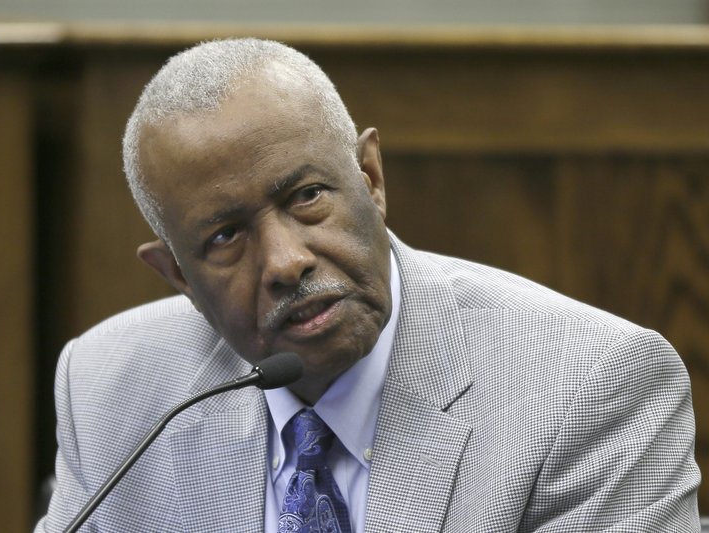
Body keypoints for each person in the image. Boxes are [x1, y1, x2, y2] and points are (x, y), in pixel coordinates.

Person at [36, 38, 701, 532]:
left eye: (308, 196)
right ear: (178, 274)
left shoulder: (588, 389)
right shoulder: (111, 387)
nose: (285, 261)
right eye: (225, 237)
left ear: (372, 178)